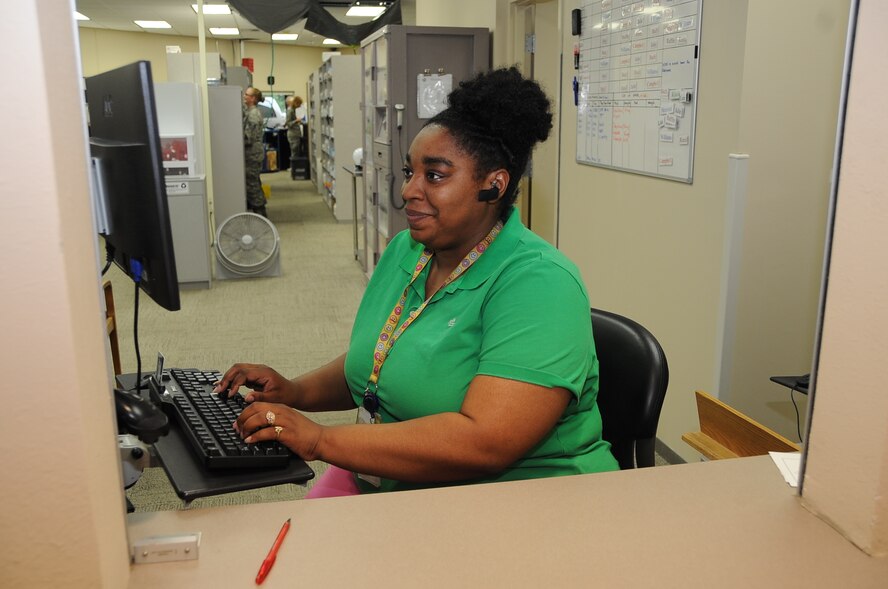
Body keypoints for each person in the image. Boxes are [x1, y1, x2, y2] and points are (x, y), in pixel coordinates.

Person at [215, 67, 619, 496]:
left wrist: (319, 438)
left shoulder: (540, 284)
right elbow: (377, 359)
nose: (409, 190)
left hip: (524, 495)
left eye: (436, 175)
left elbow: (486, 443)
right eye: (410, 172)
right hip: (399, 475)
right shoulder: (409, 249)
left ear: (493, 185)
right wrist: (295, 391)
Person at [243, 86, 267, 217]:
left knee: (252, 185)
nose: (244, 96)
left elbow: (248, 138)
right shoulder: (251, 112)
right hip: (253, 153)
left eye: (246, 94)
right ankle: (260, 212)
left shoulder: (253, 114)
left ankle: (261, 215)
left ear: (252, 98)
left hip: (252, 154)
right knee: (254, 182)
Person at [284, 96, 305, 177]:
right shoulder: (290, 111)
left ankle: (293, 167)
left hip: (295, 134)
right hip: (293, 134)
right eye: (299, 104)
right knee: (294, 152)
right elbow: (288, 123)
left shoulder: (293, 110)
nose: (300, 106)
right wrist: (296, 120)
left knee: (295, 151)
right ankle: (293, 167)